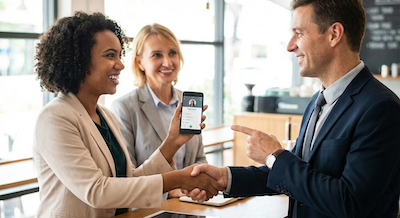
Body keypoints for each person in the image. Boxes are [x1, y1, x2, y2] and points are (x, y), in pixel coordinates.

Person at [186, 0, 400, 217]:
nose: (290, 45)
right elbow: (297, 175)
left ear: (334, 34)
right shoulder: (318, 101)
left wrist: (274, 155)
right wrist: (226, 178)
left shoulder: (381, 108)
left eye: (299, 33)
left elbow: (349, 202)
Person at [33, 12, 221, 218]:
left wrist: (172, 142)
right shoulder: (55, 118)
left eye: (119, 55)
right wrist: (177, 179)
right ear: (79, 61)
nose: (121, 65)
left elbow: (129, 180)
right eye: (110, 55)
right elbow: (97, 191)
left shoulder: (104, 115)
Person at [111, 23, 207, 199]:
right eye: (157, 55)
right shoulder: (124, 108)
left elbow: (199, 159)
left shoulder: (188, 102)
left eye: (172, 53)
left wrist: (195, 187)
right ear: (139, 62)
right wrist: (169, 191)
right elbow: (127, 176)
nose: (167, 62)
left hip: (189, 208)